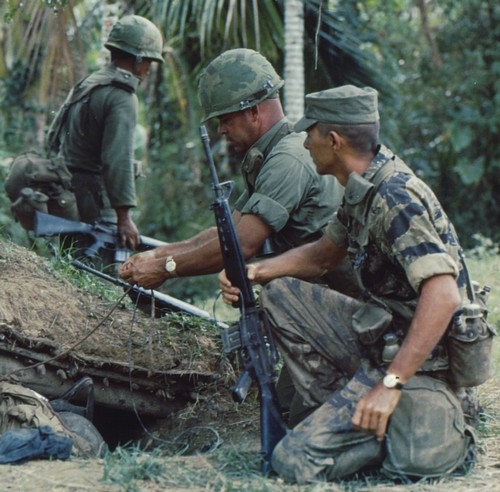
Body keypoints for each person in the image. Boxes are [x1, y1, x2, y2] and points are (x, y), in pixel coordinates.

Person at [219, 85, 476, 483]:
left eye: (310, 134)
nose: (304, 143)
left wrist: (391, 384)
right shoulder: (363, 186)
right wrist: (251, 271)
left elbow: (443, 294)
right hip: (381, 340)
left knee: (290, 462)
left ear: (334, 141)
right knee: (279, 292)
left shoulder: (394, 198)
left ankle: (398, 426)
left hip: (417, 363)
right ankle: (357, 409)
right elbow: (323, 255)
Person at [119, 48, 348, 292]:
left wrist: (164, 268)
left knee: (270, 297)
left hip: (342, 297)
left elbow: (242, 244)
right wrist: (157, 255)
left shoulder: (288, 158)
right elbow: (228, 232)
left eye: (226, 120)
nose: (222, 130)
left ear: (253, 112)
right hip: (320, 287)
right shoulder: (272, 153)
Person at [46, 14, 164, 267]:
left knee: (72, 270)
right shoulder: (121, 97)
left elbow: (52, 138)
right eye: (149, 62)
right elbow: (117, 160)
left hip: (70, 195)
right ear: (139, 58)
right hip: (98, 203)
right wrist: (124, 217)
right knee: (101, 276)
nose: (148, 70)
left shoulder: (87, 85)